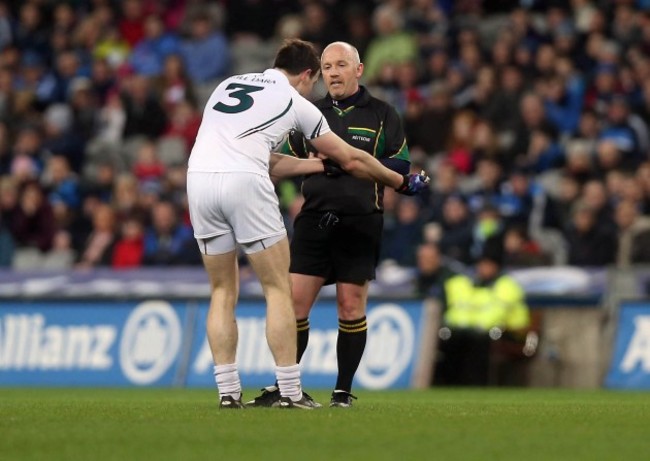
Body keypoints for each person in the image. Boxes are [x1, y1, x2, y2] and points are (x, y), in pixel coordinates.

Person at [186, 39, 428, 410]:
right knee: (279, 290)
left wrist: (318, 165)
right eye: (320, 72)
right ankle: (289, 390)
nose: (324, 79)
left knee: (221, 290)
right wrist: (401, 183)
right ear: (306, 74)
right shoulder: (299, 104)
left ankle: (227, 392)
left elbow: (267, 156)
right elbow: (348, 158)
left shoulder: (228, 84)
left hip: (199, 179)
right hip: (248, 183)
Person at [247, 41, 416, 409]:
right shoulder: (306, 111)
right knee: (294, 305)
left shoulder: (384, 114)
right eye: (326, 66)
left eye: (341, 65)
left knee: (351, 306)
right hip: (314, 220)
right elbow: (280, 160)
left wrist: (355, 161)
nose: (333, 73)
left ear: (359, 69)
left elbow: (401, 167)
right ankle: (286, 387)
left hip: (361, 220)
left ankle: (342, 392)